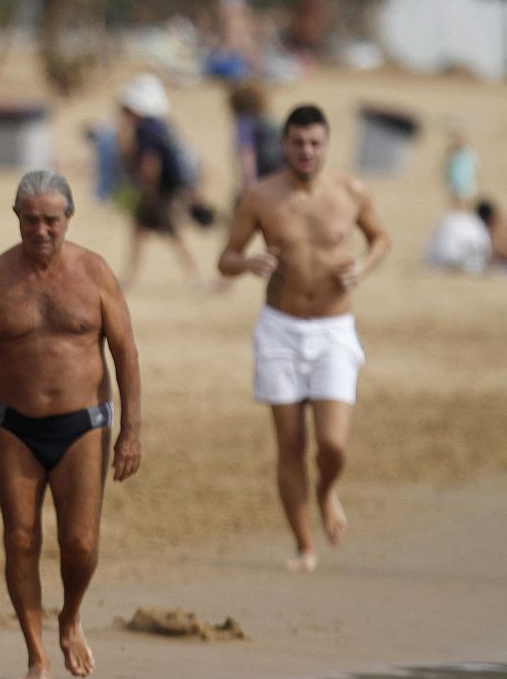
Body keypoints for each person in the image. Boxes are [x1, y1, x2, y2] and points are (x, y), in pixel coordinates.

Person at [0, 170, 142, 679]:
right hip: (12, 425)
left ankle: (69, 619)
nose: (42, 231)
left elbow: (125, 351)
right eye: (32, 220)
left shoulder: (95, 273)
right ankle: (36, 653)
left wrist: (132, 429)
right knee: (20, 538)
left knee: (80, 542)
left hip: (83, 424)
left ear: (69, 219)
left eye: (52, 221)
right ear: (17, 217)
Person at [218, 104, 392, 572]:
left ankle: (327, 489)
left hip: (335, 328)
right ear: (285, 144)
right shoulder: (261, 196)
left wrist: (364, 266)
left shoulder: (350, 191)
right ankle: (304, 546)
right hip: (280, 327)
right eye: (297, 142)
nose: (306, 151)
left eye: (314, 142)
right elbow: (226, 258)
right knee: (290, 443)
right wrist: (248, 263)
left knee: (333, 445)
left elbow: (380, 239)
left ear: (326, 144)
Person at [117, 73, 212, 291]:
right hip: (168, 188)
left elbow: (151, 163)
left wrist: (147, 188)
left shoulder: (145, 129)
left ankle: (196, 277)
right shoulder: (163, 125)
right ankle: (129, 278)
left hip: (160, 191)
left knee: (173, 234)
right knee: (140, 231)